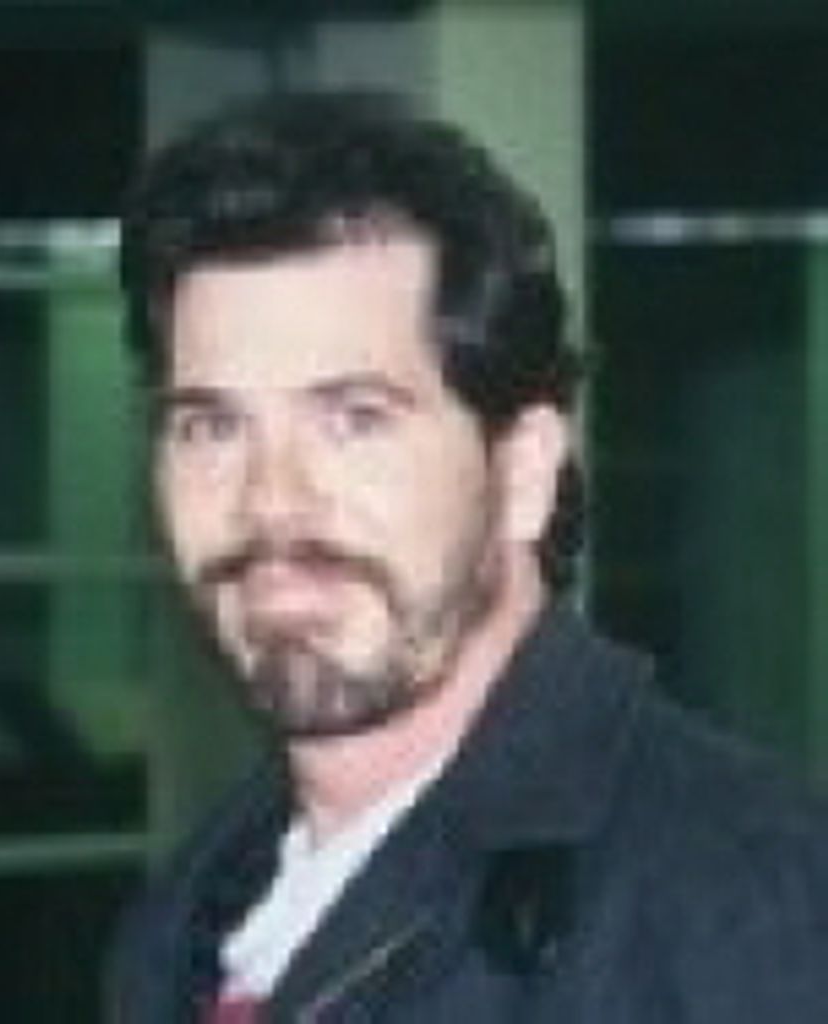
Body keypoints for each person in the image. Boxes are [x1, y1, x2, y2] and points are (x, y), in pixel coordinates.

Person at [110, 91, 828, 1023]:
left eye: (354, 419)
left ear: (524, 471)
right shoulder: (189, 919)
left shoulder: (742, 904)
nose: (270, 500)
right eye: (211, 426)